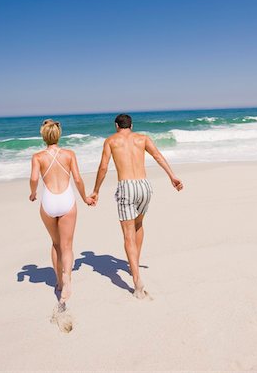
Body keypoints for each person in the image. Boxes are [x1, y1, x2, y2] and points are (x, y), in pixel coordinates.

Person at [90, 114, 183, 299]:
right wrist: (172, 176)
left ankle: (137, 281)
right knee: (139, 225)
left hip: (126, 187)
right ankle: (135, 264)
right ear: (131, 125)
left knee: (128, 234)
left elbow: (103, 167)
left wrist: (96, 190)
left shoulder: (111, 141)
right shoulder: (143, 138)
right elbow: (158, 156)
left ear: (116, 125)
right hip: (144, 186)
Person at [29, 119, 94, 306]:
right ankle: (67, 280)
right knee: (67, 246)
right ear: (59, 135)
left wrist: (33, 193)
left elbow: (34, 178)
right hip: (66, 199)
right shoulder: (69, 154)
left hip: (49, 201)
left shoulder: (38, 157)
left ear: (43, 136)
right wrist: (85, 198)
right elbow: (78, 179)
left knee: (55, 243)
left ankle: (58, 281)